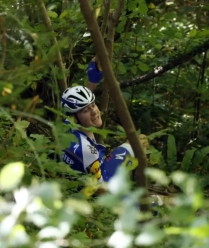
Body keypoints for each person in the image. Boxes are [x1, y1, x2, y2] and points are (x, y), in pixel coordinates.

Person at [60, 58, 148, 196]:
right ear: (74, 117)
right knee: (155, 205)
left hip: (90, 174)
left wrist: (93, 78)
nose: (94, 111)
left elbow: (80, 102)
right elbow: (101, 191)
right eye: (86, 110)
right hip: (101, 183)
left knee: (138, 141)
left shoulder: (68, 125)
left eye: (93, 105)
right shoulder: (86, 151)